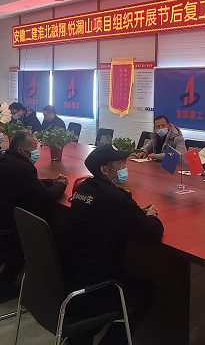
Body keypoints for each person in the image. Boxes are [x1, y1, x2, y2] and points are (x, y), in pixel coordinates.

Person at [57, 145, 163, 345]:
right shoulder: (115, 198)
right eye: (120, 163)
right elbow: (151, 234)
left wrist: (132, 215)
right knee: (147, 292)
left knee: (124, 275)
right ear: (104, 170)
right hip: (87, 292)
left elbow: (107, 215)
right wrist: (150, 217)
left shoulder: (85, 188)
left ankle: (79, 339)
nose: (124, 166)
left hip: (63, 282)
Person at [0, 131, 68, 305]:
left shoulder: (3, 160)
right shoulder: (22, 168)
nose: (37, 150)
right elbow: (46, 197)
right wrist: (61, 185)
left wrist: (52, 182)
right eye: (33, 147)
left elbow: (27, 185)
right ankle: (5, 285)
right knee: (39, 236)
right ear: (21, 150)